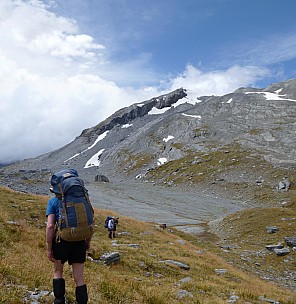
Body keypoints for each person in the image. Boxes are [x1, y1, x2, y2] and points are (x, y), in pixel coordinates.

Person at [46, 187, 91, 304]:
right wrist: (88, 241)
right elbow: (89, 222)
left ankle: (59, 300)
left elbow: (50, 226)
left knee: (58, 272)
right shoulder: (82, 200)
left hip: (61, 241)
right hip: (79, 241)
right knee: (79, 278)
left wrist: (49, 248)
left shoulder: (53, 201)